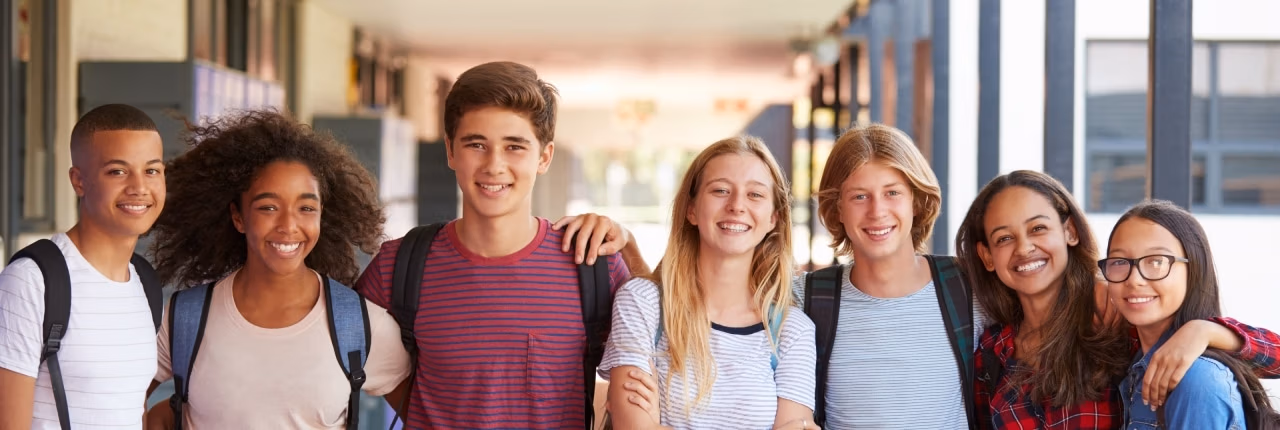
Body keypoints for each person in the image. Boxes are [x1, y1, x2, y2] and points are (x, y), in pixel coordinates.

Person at [355, 61, 639, 429]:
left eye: (514, 147)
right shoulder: (400, 266)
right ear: (450, 151)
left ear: (545, 156)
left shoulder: (590, 264)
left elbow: (675, 336)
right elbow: (331, 345)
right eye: (476, 144)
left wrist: (628, 242)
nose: (494, 165)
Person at [142, 110, 410, 428]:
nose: (288, 225)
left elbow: (429, 417)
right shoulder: (186, 319)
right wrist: (159, 417)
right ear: (238, 216)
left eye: (306, 208)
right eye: (268, 207)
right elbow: (109, 404)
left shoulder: (360, 327)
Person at [955, 171, 1280, 429]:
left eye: (1038, 228)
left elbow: (1275, 357)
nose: (1024, 248)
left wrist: (1205, 331)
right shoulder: (991, 354)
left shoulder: (1117, 314)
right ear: (986, 256)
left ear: (1070, 232)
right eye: (1004, 238)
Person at [600, 135, 817, 430]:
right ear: (691, 210)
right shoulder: (643, 303)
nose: (737, 205)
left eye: (755, 195)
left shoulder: (793, 331)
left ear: (773, 219)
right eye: (720, 190)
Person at [0, 104, 166, 429]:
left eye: (152, 170)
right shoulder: (33, 280)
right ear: (79, 181)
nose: (139, 187)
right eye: (117, 171)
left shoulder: (145, 283)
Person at [1105, 199, 1280, 429]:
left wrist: (1206, 330)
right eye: (1119, 261)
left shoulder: (1198, 379)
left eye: (1157, 261)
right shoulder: (1132, 356)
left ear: (1194, 269)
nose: (1134, 279)